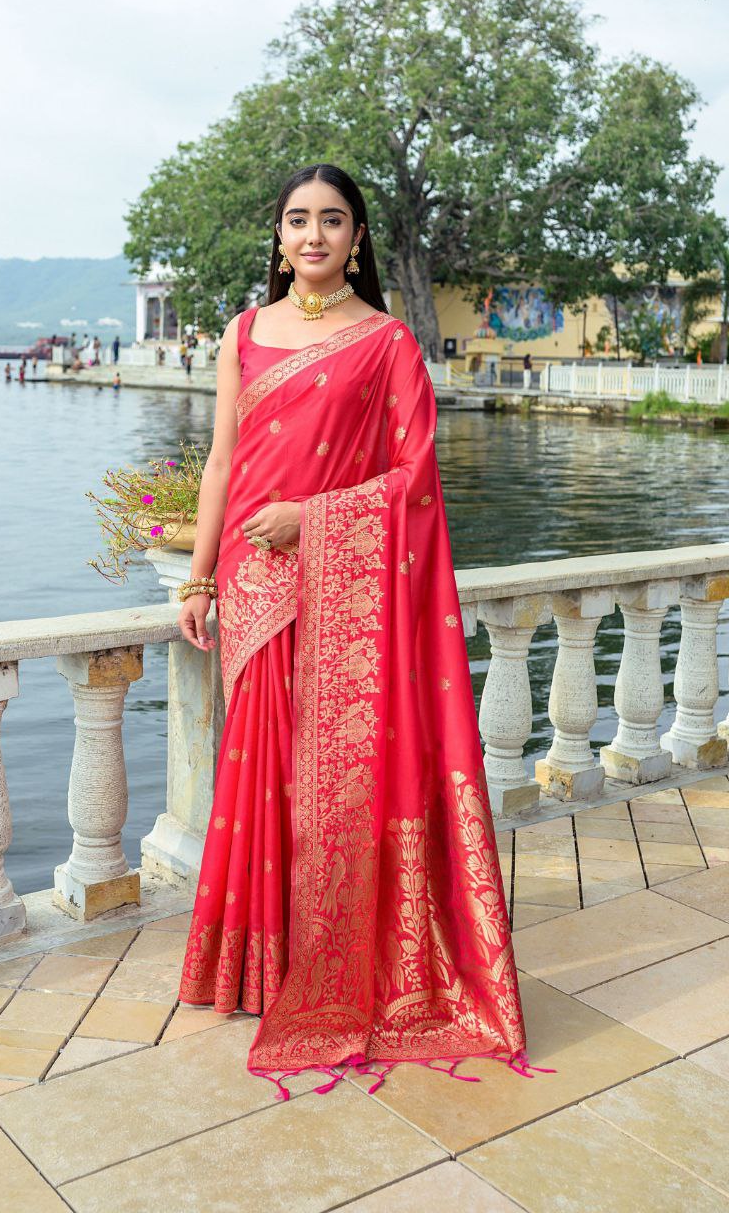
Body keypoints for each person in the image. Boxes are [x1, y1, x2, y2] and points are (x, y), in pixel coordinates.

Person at [176, 163, 552, 1102]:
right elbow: (222, 460)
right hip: (252, 586)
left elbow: (414, 481)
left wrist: (314, 519)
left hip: (335, 585)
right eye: (297, 220)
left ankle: (333, 963)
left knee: (330, 785)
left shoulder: (385, 343)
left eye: (332, 221)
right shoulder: (241, 334)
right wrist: (195, 575)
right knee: (256, 778)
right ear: (277, 236)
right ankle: (254, 970)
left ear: (355, 239)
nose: (313, 236)